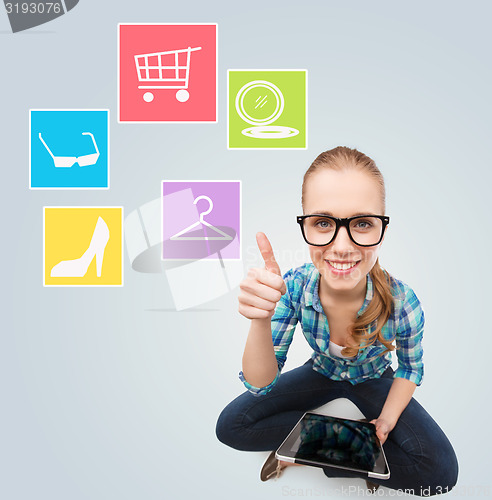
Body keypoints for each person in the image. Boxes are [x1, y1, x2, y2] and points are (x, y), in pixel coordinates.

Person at [215, 146, 459, 496]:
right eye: (324, 223)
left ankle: (303, 452)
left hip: (375, 379)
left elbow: (409, 369)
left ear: (382, 228)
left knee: (439, 471)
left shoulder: (403, 302)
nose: (342, 246)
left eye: (361, 223)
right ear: (305, 225)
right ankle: (343, 441)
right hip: (321, 373)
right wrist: (260, 320)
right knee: (232, 425)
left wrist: (386, 421)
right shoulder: (294, 287)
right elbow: (259, 384)